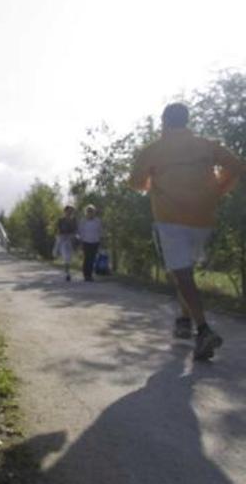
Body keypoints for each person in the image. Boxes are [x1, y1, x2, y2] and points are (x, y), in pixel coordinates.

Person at [129, 102, 246, 360]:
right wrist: (219, 188)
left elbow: (136, 183)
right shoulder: (207, 145)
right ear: (187, 120)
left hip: (170, 218)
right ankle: (183, 319)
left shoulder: (154, 150)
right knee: (185, 272)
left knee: (181, 274)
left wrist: (153, 181)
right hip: (204, 219)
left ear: (163, 121)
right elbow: (238, 166)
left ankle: (203, 330)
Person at [77, 205, 102, 281]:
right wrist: (81, 242)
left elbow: (100, 231)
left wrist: (101, 240)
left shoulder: (97, 221)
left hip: (95, 241)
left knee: (92, 259)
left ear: (94, 212)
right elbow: (80, 232)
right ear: (86, 213)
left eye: (92, 211)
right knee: (87, 258)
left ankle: (90, 275)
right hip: (86, 241)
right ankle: (86, 275)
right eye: (88, 211)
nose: (90, 213)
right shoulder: (83, 221)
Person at [55, 205, 78, 281]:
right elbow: (58, 230)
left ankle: (67, 271)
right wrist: (61, 235)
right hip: (63, 239)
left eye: (71, 212)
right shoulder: (61, 220)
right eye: (68, 211)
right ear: (65, 212)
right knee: (66, 257)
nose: (69, 213)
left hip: (71, 240)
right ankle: (67, 274)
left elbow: (75, 230)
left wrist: (73, 235)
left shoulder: (74, 220)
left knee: (69, 257)